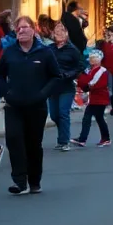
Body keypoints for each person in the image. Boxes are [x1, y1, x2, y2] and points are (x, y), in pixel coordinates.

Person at [0, 16, 61, 195]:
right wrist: (6, 93)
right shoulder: (10, 52)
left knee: (33, 144)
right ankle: (19, 181)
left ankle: (34, 181)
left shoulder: (44, 52)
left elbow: (56, 76)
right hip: (14, 105)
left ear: (33, 29)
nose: (21, 31)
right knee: (14, 140)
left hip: (36, 106)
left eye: (25, 27)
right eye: (18, 29)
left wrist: (42, 94)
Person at [47, 23, 83, 152]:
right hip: (52, 86)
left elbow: (80, 66)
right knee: (54, 115)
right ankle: (62, 134)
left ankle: (64, 141)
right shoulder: (49, 48)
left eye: (62, 31)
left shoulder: (72, 50)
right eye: (57, 31)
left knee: (63, 113)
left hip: (66, 85)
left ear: (67, 33)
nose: (59, 33)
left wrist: (70, 74)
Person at [72, 52, 110, 147]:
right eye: (91, 58)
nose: (92, 60)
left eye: (94, 58)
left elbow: (92, 83)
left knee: (88, 118)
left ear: (99, 60)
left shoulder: (101, 71)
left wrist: (82, 82)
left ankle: (83, 139)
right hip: (96, 98)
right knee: (98, 118)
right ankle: (105, 138)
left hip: (99, 99)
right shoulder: (92, 70)